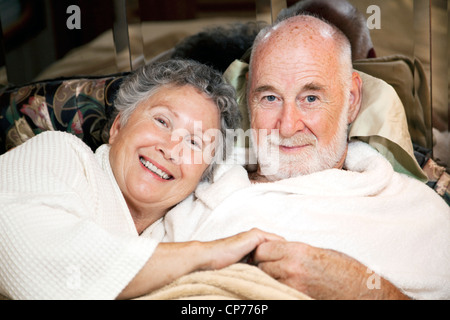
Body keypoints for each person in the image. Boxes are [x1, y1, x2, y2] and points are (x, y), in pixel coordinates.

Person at [163, 16, 450, 299]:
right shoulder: (192, 190)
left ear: (351, 99)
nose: (288, 127)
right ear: (249, 96)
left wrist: (359, 288)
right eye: (270, 98)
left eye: (310, 98)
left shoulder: (416, 213)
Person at [0, 59, 282, 300]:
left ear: (203, 175)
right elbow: (33, 260)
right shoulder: (57, 152)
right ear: (118, 126)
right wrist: (202, 255)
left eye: (195, 142)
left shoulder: (180, 224)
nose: (171, 149)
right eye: (162, 121)